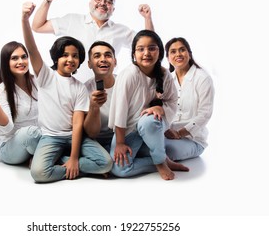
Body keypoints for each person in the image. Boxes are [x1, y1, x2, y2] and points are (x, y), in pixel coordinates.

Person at [22, 2, 113, 183]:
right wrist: (25, 19)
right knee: (38, 174)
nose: (70, 59)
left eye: (75, 56)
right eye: (65, 55)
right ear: (56, 57)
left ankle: (63, 161)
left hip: (74, 138)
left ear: (80, 61)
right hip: (50, 137)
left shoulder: (80, 88)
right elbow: (32, 49)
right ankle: (73, 166)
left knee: (106, 164)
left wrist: (73, 158)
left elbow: (78, 124)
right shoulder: (46, 76)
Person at [108, 30, 189, 180]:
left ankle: (160, 162)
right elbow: (120, 111)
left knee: (148, 121)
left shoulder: (164, 75)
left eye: (152, 48)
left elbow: (172, 102)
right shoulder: (129, 74)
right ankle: (162, 160)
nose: (146, 53)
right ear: (133, 53)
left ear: (159, 51)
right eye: (141, 49)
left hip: (152, 126)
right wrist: (119, 143)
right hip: (129, 129)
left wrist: (161, 108)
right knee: (119, 169)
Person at [31, 0, 155, 82]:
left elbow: (150, 44)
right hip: (73, 90)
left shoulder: (121, 30)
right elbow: (38, 26)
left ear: (113, 9)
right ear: (90, 3)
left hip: (107, 91)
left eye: (108, 1)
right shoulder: (72, 20)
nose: (102, 3)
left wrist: (147, 18)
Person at [0, 42, 42, 165]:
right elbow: (7, 129)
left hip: (37, 142)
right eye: (14, 58)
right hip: (10, 148)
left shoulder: (36, 81)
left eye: (24, 57)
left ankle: (44, 159)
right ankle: (47, 158)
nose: (21, 61)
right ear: (6, 62)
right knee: (31, 133)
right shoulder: (2, 90)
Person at [164, 37, 215, 161]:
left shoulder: (202, 78)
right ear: (168, 58)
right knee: (148, 146)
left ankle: (160, 162)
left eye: (182, 50)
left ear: (189, 54)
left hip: (193, 139)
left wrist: (180, 133)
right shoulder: (167, 79)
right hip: (167, 135)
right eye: (173, 51)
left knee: (167, 151)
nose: (178, 54)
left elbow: (205, 114)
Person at [83, 41, 117, 153]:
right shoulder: (83, 90)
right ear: (89, 64)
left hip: (123, 137)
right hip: (97, 141)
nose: (103, 59)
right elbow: (91, 133)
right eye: (97, 56)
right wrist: (94, 107)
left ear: (115, 61)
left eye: (108, 55)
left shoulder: (125, 82)